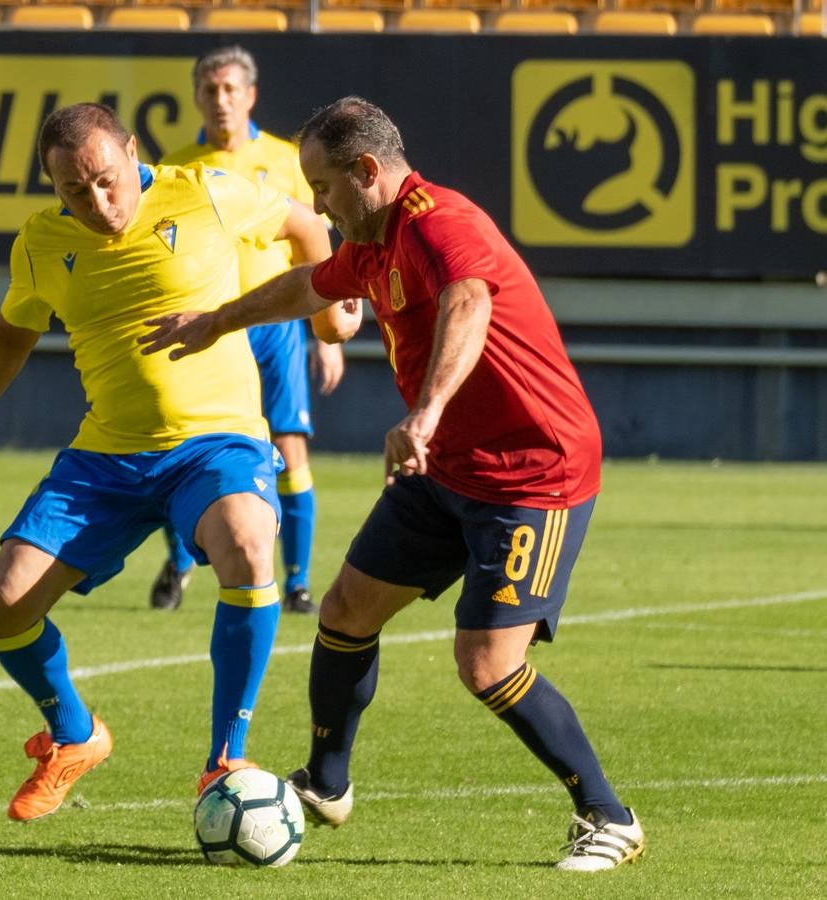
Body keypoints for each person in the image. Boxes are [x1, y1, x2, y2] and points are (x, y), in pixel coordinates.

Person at [139, 96, 644, 872]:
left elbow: (470, 301)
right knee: (344, 610)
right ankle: (328, 784)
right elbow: (307, 286)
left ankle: (609, 816)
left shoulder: (442, 221)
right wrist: (218, 320)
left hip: (533, 473)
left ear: (367, 171)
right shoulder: (372, 244)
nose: (316, 204)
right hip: (443, 465)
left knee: (486, 665)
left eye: (324, 186)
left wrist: (429, 411)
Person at [0, 102, 343, 822]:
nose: (97, 203)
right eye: (74, 192)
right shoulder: (40, 243)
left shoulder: (205, 189)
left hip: (217, 442)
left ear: (130, 151)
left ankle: (227, 758)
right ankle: (75, 737)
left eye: (106, 180)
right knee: (3, 606)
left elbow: (305, 223)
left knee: (248, 543)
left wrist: (330, 309)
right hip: (107, 457)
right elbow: (7, 339)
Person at [151, 45, 349, 615]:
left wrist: (324, 331)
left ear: (250, 95)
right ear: (197, 97)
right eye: (209, 91)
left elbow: (320, 244)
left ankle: (298, 581)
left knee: (290, 446)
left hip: (275, 329)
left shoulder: (287, 159)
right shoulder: (177, 167)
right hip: (205, 327)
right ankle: (181, 560)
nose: (220, 101)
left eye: (230, 90)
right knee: (178, 443)